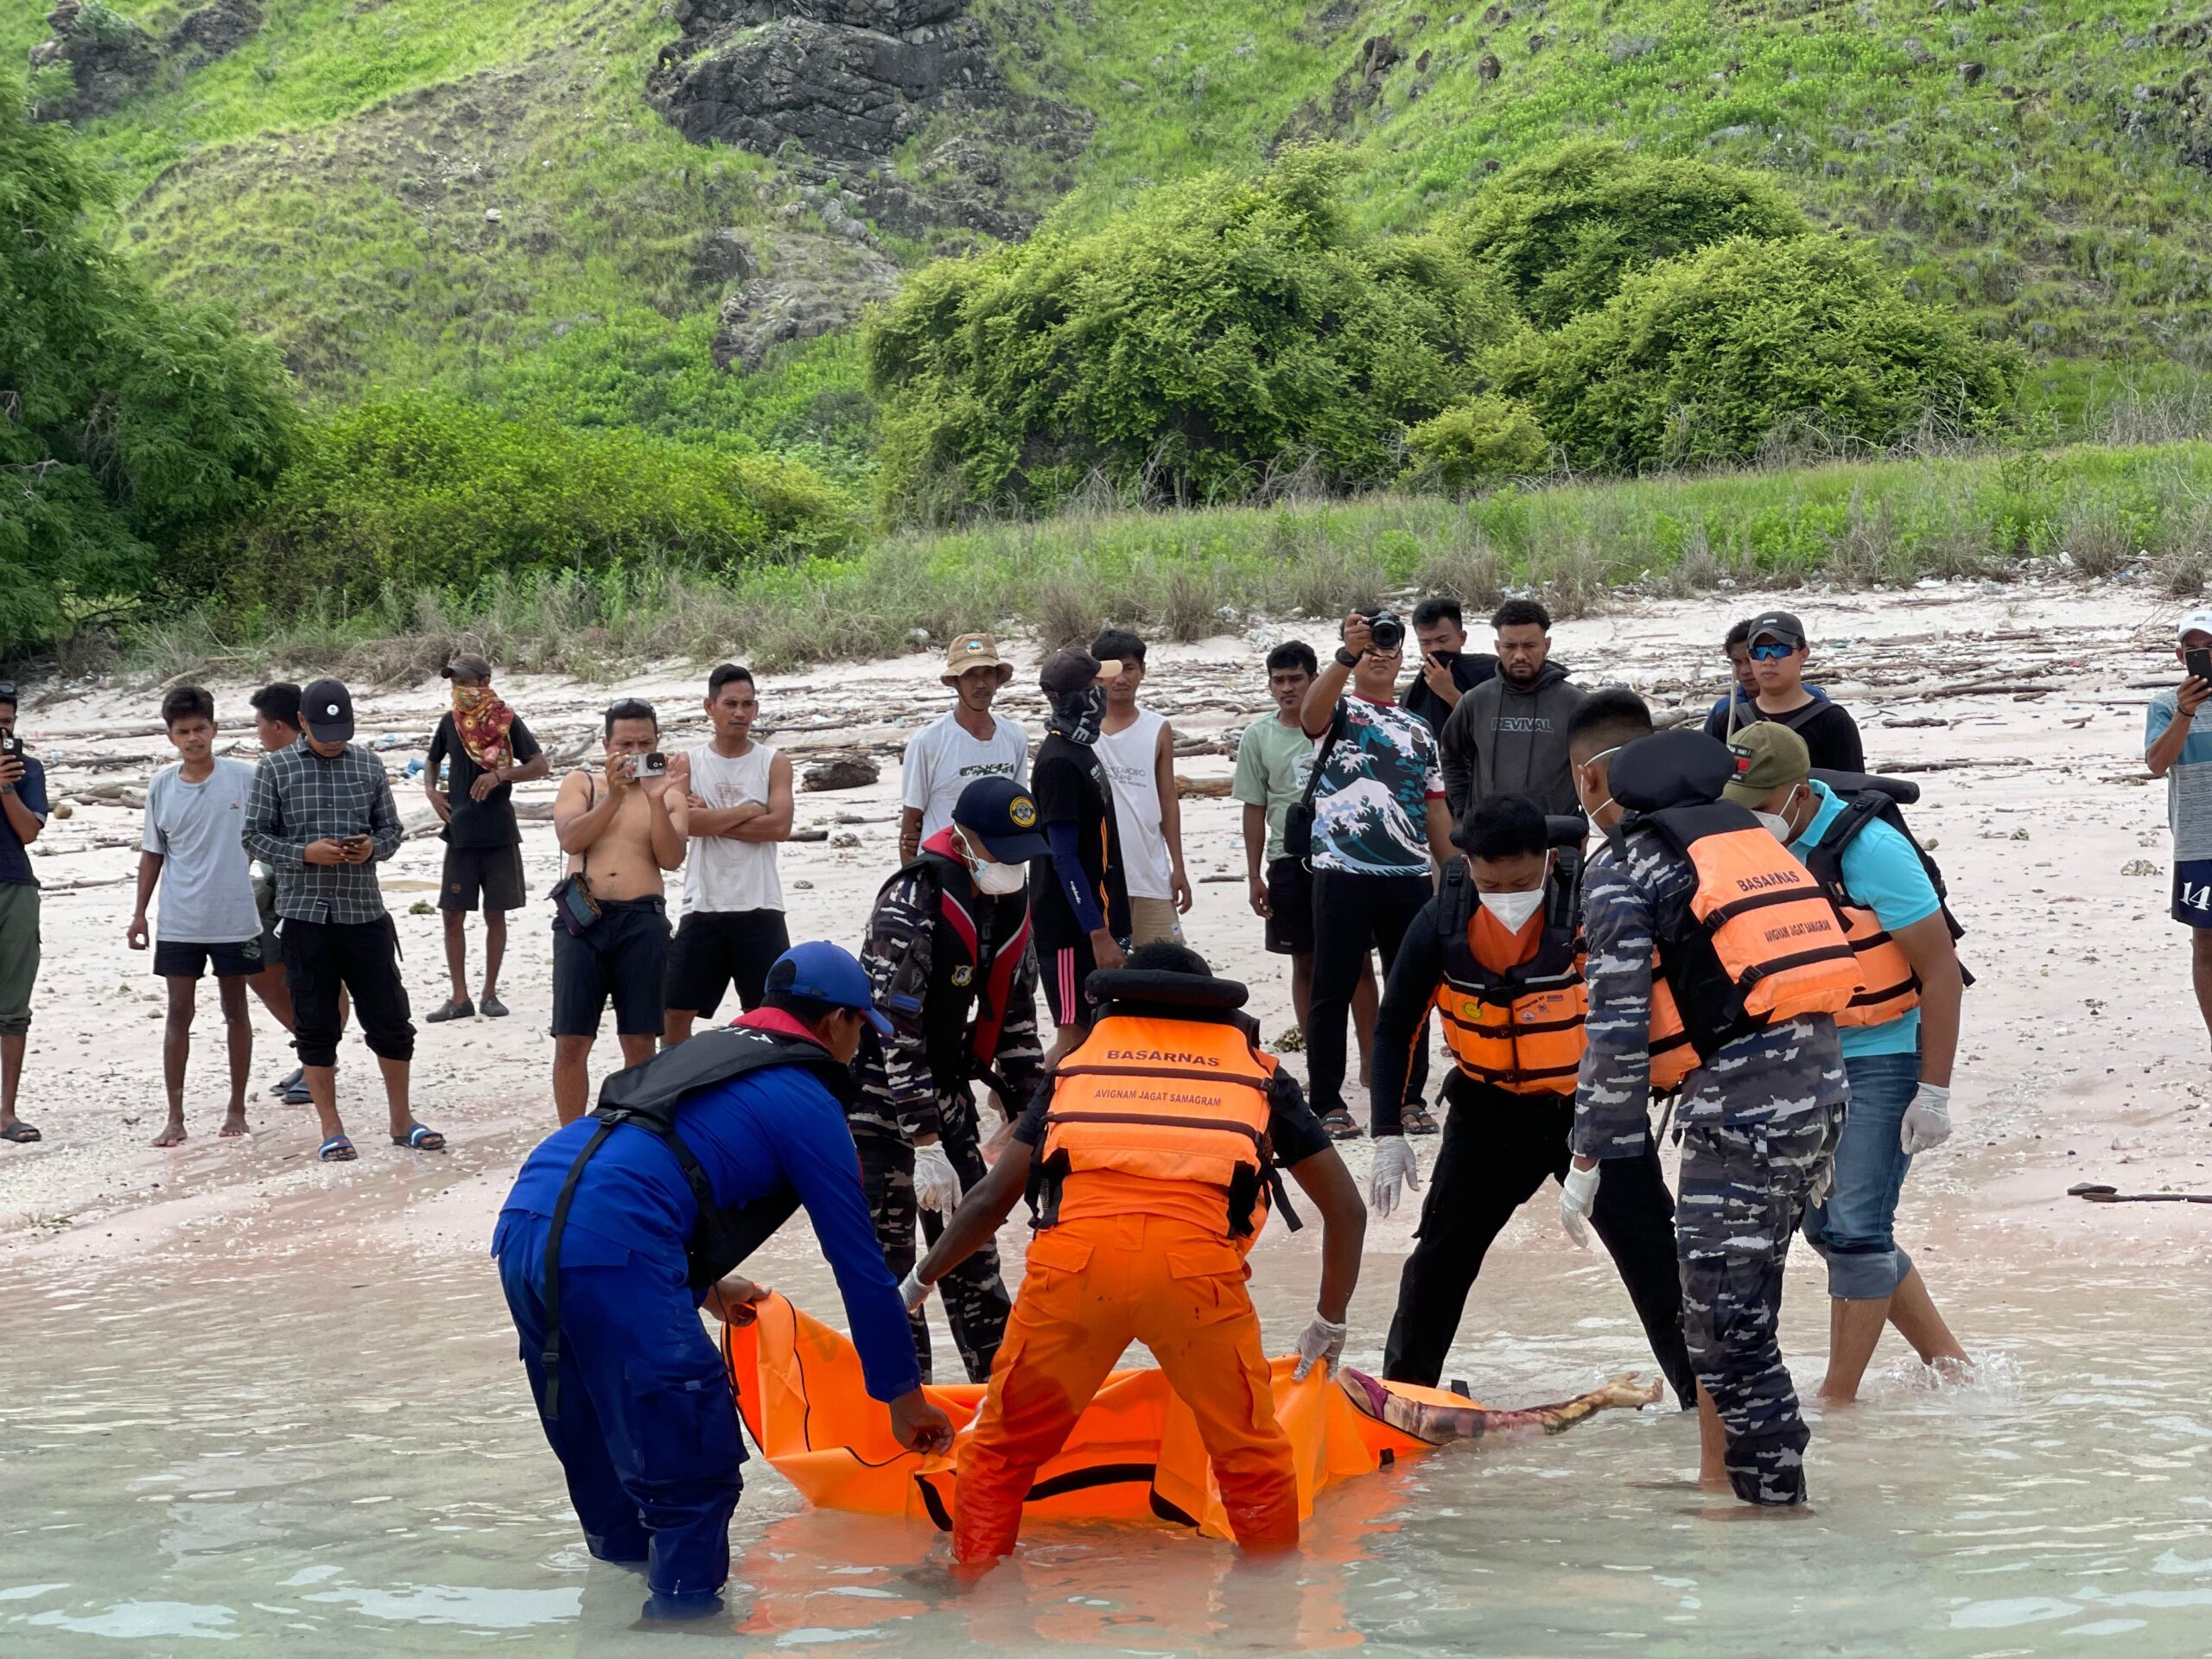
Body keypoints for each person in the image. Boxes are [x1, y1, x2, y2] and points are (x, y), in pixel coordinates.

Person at [493, 942, 955, 1619]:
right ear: (834, 1024)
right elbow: (860, 1267)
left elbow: (641, 1163)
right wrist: (903, 1397)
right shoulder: (806, 1097)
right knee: (691, 1479)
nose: (860, 1049)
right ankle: (685, 1626)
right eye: (861, 1029)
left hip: (527, 1222)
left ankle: (611, 1620)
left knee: (607, 1468)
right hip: (612, 1241)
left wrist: (710, 1288)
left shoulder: (693, 1055)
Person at [904, 942, 1369, 1573]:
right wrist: (1329, 1319)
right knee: (1251, 1458)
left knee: (1000, 1453)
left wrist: (921, 1279)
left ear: (1116, 1005)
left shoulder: (1076, 1069)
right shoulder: (1258, 1074)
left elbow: (991, 1198)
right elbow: (1346, 1209)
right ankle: (1270, 1620)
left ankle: (977, 1604)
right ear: (1216, 1012)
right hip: (1195, 1280)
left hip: (1074, 1272)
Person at [1566, 692, 1854, 1506]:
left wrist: (1591, 1154)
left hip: (1742, 1114)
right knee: (1747, 1302)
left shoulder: (1625, 864)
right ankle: (1754, 1490)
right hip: (1823, 1095)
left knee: (1723, 1329)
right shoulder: (1752, 843)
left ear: (1596, 784)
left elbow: (1618, 1024)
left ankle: (1777, 1503)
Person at [1365, 795, 1696, 1408]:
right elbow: (1394, 1028)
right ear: (1468, 865)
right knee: (1439, 1260)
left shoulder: (1594, 913)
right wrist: (1388, 1131)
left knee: (1652, 1254)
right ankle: (1403, 1396)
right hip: (1488, 1115)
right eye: (1491, 882)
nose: (1506, 893)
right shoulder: (1443, 920)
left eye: (1521, 880)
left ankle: (1702, 1398)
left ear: (1548, 860)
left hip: (1593, 1111)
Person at [1724, 722, 1973, 1402]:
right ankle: (1950, 1363)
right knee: (1826, 1229)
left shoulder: (1872, 850)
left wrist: (1934, 1092)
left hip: (1883, 1053)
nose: (1748, 817)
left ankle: (1837, 1402)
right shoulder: (1752, 846)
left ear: (1800, 793)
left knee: (1860, 1229)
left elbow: (1940, 973)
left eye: (1759, 802)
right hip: (1802, 1057)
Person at [853, 777, 1048, 1384]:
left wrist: (1034, 1117)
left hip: (947, 1088)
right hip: (881, 1102)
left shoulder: (1009, 896)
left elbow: (1015, 1017)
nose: (1013, 864)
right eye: (1001, 851)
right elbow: (891, 1028)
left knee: (973, 1251)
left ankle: (1000, 1391)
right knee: (890, 1263)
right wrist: (923, 1141)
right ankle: (905, 1403)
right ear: (965, 841)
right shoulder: (912, 901)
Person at [243, 678, 441, 1162]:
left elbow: (391, 830)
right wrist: (304, 854)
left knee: (391, 1019)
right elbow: (253, 838)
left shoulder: (369, 765)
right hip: (304, 916)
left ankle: (401, 1121)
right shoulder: (274, 768)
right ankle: (331, 1129)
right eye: (325, 729)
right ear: (303, 722)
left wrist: (374, 847)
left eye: (343, 729)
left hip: (364, 912)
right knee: (315, 1024)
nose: (335, 739)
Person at [1297, 611, 1455, 1138]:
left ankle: (1409, 1099)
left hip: (1408, 874)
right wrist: (1346, 654)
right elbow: (1309, 715)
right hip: (1342, 869)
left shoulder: (1418, 727)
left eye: (1391, 646)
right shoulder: (1338, 706)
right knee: (1332, 988)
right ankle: (1327, 1102)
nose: (1381, 654)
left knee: (1411, 989)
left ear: (1403, 656)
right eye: (1373, 647)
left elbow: (1435, 808)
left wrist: (1454, 874)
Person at [128, 687, 264, 1147]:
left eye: (200, 729)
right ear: (170, 737)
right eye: (183, 732)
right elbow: (153, 855)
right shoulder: (161, 787)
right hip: (181, 920)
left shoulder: (245, 779)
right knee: (178, 1013)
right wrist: (139, 915)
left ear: (215, 729)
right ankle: (175, 1116)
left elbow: (269, 836)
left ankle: (236, 1109)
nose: (193, 739)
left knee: (236, 1010)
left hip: (236, 917)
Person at [1233, 641, 1376, 1071]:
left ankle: (1371, 1060)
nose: (1287, 688)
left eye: (1296, 678)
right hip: (1288, 860)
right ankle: (1320, 1059)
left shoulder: (1344, 724)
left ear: (1315, 678)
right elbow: (1254, 808)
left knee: (1358, 965)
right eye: (1279, 680)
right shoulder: (1259, 736)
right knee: (1306, 963)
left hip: (1347, 856)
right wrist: (1254, 874)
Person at [550, 698, 685, 1124]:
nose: (635, 752)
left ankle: (638, 1131)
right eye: (625, 744)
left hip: (642, 919)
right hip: (584, 921)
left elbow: (670, 857)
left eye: (645, 743)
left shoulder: (669, 790)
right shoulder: (581, 782)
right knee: (571, 1039)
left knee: (640, 1040)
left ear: (657, 743)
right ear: (606, 743)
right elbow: (571, 840)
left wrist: (657, 800)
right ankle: (571, 1137)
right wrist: (613, 796)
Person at [664, 664, 793, 1046]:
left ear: (756, 709)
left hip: (761, 904)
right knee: (675, 1013)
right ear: (710, 706)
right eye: (731, 703)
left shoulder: (774, 762)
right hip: (704, 904)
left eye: (748, 704)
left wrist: (710, 816)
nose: (740, 712)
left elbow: (780, 827)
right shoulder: (688, 761)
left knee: (771, 1014)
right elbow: (685, 824)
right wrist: (751, 809)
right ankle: (671, 1090)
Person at [423, 654, 547, 1022]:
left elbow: (540, 766)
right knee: (452, 915)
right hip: (459, 832)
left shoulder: (505, 721)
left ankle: (490, 993)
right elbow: (431, 760)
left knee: (496, 914)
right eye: (454, 683)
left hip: (499, 832)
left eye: (465, 682)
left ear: (485, 681)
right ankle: (459, 998)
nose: (460, 690)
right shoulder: (451, 722)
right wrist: (431, 791)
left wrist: (501, 775)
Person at [1028, 647, 1133, 1063]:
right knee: (1073, 1035)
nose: (1103, 690)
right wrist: (1097, 932)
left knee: (1099, 1028)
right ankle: (1029, 1118)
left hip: (1102, 916)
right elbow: (1063, 857)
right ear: (1078, 695)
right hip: (1070, 930)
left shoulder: (1081, 748)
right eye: (1095, 684)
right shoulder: (1057, 761)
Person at [245, 684, 343, 1107]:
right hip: (271, 883)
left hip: (319, 888)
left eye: (259, 725)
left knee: (324, 976)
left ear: (279, 725)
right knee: (257, 963)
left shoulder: (328, 763)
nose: (258, 733)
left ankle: (320, 1058)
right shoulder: (269, 768)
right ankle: (312, 1050)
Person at [1439, 598, 1588, 823]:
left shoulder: (1576, 704)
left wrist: (1579, 821)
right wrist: (1465, 811)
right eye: (1510, 646)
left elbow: (1596, 771)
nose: (1519, 655)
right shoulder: (1476, 700)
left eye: (1529, 645)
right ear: (1498, 647)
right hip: (1489, 837)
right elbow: (1450, 756)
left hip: (1555, 834)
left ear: (1546, 645)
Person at [1091, 628, 1193, 946]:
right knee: (1107, 975)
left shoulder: (1157, 728)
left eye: (1130, 667)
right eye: (1112, 669)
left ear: (1142, 672)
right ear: (1097, 675)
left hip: (1150, 872)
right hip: (1100, 876)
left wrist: (1178, 866)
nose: (1121, 678)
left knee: (1167, 966)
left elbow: (1167, 801)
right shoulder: (1084, 731)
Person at [899, 631, 1029, 865]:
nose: (981, 684)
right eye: (970, 675)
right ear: (954, 681)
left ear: (998, 679)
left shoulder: (1014, 737)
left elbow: (1017, 807)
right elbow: (911, 822)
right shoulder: (927, 741)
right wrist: (913, 882)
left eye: (988, 673)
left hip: (1000, 864)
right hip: (944, 864)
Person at [2145, 607, 2212, 1043]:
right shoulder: (2167, 705)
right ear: (2179, 656)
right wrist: (2185, 715)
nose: (2202, 657)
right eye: (2194, 651)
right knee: (2206, 946)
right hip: (2198, 842)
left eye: (2210, 650)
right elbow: (2155, 764)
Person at [0, 681, 48, 1145]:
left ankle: (6, 1111)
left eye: (7, 724)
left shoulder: (27, 770)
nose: (2, 732)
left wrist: (6, 788)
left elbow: (30, 833)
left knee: (13, 1008)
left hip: (15, 886)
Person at [1729, 611, 1864, 772]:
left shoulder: (1832, 722)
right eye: (1759, 652)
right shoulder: (1730, 721)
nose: (1768, 661)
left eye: (1778, 649)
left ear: (1803, 654)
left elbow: (1852, 790)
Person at [1703, 618, 1831, 744]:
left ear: (1802, 655)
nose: (1744, 671)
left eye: (1774, 652)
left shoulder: (1816, 703)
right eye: (1737, 662)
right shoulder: (1727, 711)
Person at [1402, 597, 1498, 734]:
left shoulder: (1490, 671)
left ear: (1462, 638)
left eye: (1442, 640)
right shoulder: (1413, 693)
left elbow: (1494, 728)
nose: (1435, 648)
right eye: (1425, 643)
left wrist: (1449, 692)